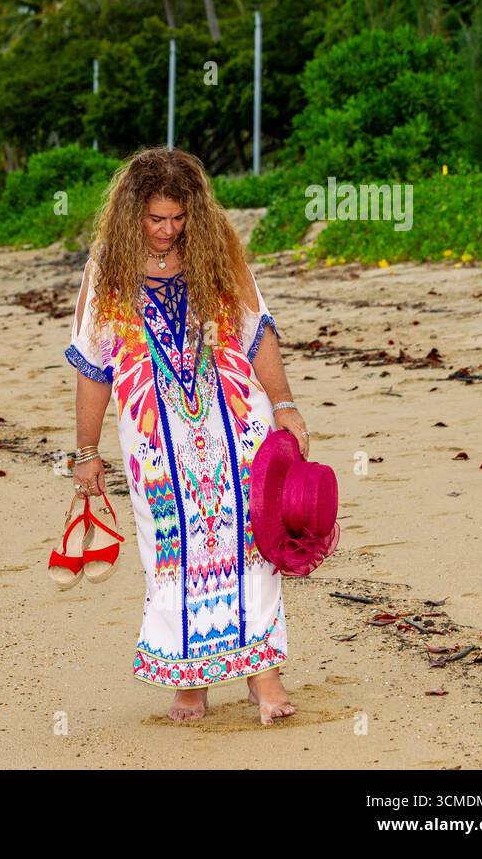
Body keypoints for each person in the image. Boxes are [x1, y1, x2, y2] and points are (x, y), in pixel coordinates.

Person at [62, 146, 309, 725]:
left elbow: (257, 330)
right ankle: (191, 681)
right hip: (154, 437)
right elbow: (93, 365)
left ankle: (263, 677)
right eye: (156, 219)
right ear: (132, 215)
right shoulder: (108, 270)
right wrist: (86, 451)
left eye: (178, 217)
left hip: (236, 423)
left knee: (252, 539)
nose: (169, 230)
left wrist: (285, 404)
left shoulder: (218, 249)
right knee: (171, 550)